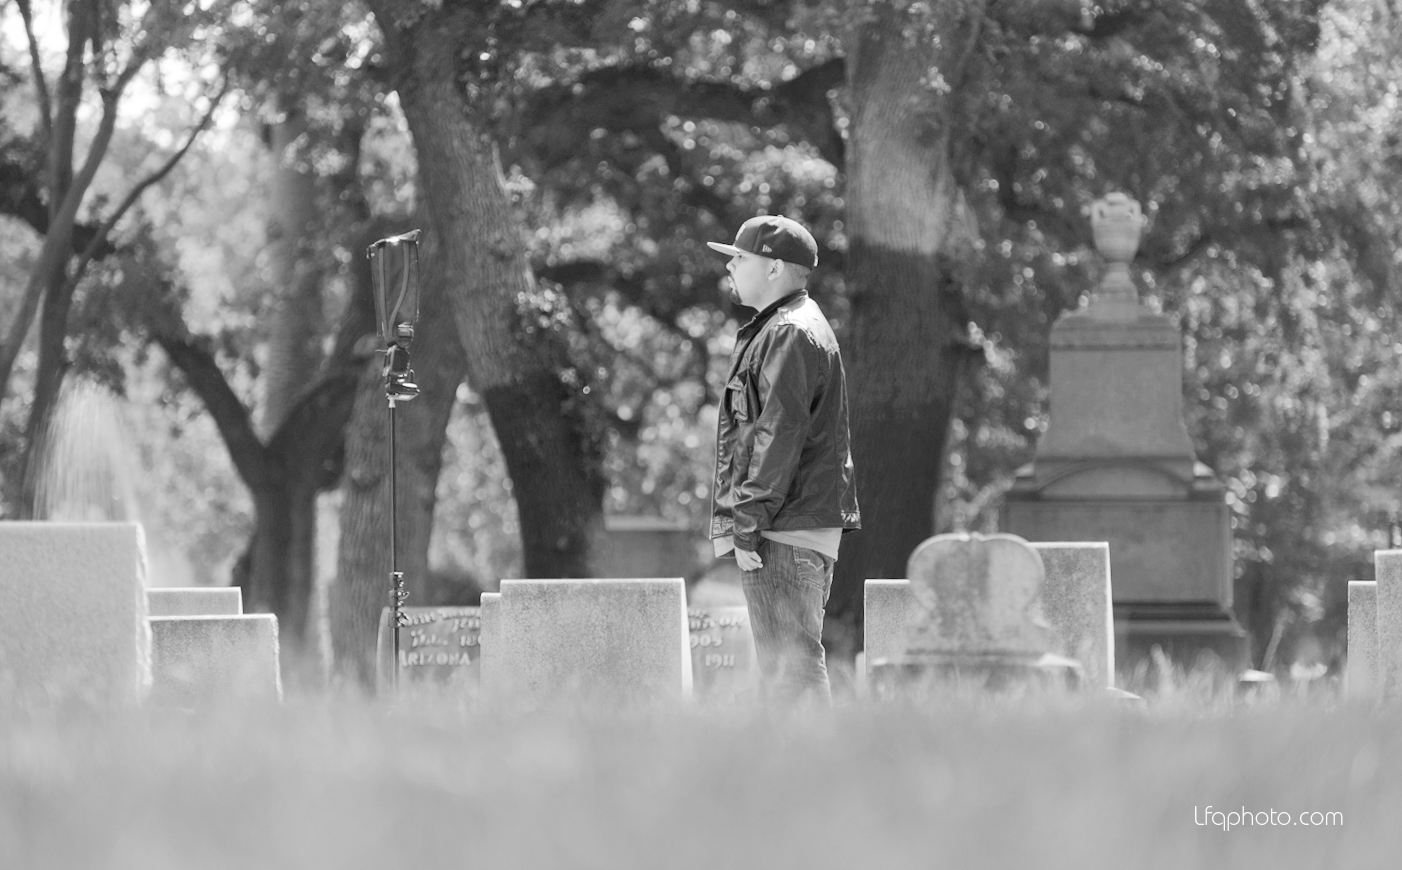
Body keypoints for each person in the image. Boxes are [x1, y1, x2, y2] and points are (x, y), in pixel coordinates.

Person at [706, 214, 861, 705]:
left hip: (781, 529)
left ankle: (815, 779)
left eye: (741, 257)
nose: (731, 266)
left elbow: (778, 434)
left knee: (790, 672)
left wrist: (746, 523)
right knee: (787, 670)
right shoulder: (783, 327)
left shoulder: (790, 332)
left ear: (774, 269)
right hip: (787, 524)